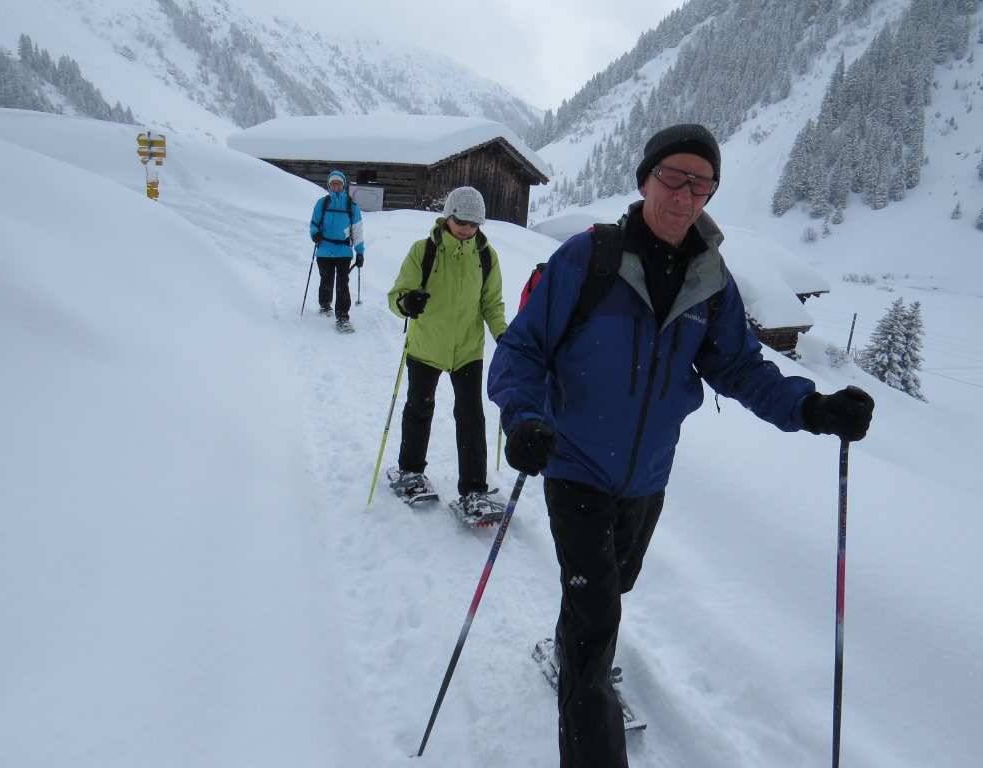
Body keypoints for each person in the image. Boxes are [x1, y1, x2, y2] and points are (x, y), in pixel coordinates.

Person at [487, 123, 874, 768]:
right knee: (595, 620)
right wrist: (524, 418)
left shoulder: (710, 280)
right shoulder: (589, 259)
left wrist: (811, 407)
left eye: (701, 184)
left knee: (608, 593)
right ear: (646, 180)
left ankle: (575, 649)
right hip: (574, 464)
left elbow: (740, 368)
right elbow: (522, 349)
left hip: (647, 479)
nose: (685, 195)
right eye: (673, 177)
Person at [386, 186, 508, 519]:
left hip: (468, 349)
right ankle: (410, 471)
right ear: (448, 216)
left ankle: (474, 492)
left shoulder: (486, 256)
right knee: (419, 407)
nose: (467, 228)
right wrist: (407, 303)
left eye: (474, 223)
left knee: (471, 417)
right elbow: (397, 295)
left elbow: (492, 304)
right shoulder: (423, 250)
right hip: (427, 345)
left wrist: (504, 336)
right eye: (461, 221)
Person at [309, 169, 365, 332]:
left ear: (343, 185)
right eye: (333, 184)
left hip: (343, 251)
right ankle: (325, 304)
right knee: (326, 279)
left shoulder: (351, 206)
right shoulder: (322, 203)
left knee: (342, 284)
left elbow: (357, 230)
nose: (336, 186)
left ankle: (342, 317)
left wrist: (360, 252)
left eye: (338, 184)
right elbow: (314, 223)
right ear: (329, 185)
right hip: (325, 249)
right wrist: (315, 234)